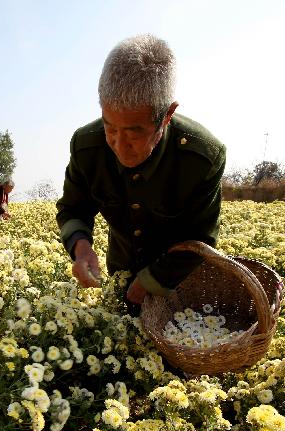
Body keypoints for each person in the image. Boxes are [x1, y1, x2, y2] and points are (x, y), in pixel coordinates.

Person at [56, 34, 226, 313]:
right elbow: (73, 208)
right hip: (120, 272)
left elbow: (201, 237)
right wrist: (81, 247)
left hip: (178, 285)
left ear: (167, 115)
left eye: (135, 133)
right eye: (110, 128)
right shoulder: (88, 147)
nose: (119, 146)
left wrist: (151, 280)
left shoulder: (201, 158)